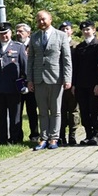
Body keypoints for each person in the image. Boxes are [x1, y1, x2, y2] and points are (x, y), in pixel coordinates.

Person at [27, 10, 73, 150]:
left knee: (55, 110)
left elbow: (66, 59)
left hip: (56, 78)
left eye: (44, 19)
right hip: (38, 79)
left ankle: (54, 138)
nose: (41, 22)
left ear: (50, 19)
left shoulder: (61, 36)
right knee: (42, 111)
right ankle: (43, 138)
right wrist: (30, 79)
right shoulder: (34, 37)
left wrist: (67, 78)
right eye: (39, 20)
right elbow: (31, 60)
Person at [0, 22, 27, 145]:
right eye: (1, 34)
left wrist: (24, 84)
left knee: (15, 115)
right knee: (1, 116)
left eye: (6, 33)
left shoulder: (19, 47)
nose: (4, 36)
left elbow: (24, 67)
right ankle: (2, 139)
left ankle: (15, 138)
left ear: (10, 33)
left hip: (14, 87)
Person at [72, 21, 98, 145]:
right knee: (84, 110)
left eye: (88, 29)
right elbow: (76, 67)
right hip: (81, 84)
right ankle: (88, 134)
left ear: (94, 30)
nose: (85, 32)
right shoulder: (79, 47)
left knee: (94, 110)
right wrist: (74, 84)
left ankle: (95, 135)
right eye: (83, 30)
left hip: (93, 84)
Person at [15, 23, 40, 142]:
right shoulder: (14, 45)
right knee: (17, 111)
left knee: (32, 110)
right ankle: (17, 136)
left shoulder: (35, 45)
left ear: (28, 33)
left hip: (32, 82)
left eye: (21, 31)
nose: (18, 34)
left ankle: (34, 135)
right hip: (18, 83)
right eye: (17, 31)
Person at [58, 22, 80, 146]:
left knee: (73, 111)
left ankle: (72, 135)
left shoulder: (77, 46)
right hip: (58, 83)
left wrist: (75, 83)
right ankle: (61, 136)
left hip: (73, 83)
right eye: (62, 29)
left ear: (71, 31)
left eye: (67, 29)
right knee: (60, 110)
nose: (65, 31)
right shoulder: (56, 45)